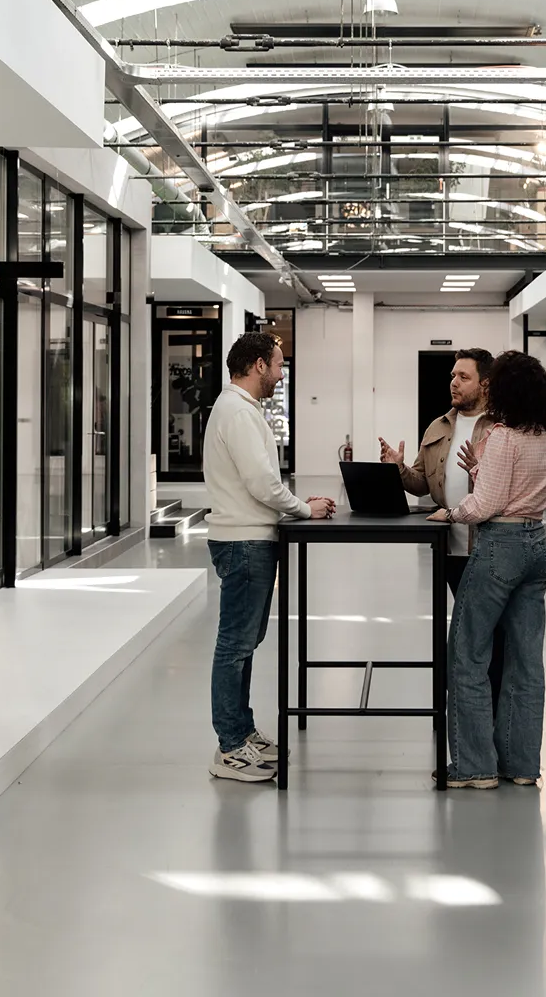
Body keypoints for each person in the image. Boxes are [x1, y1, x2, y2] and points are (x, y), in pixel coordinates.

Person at [427, 351, 546, 789]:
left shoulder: (504, 435)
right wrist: (482, 469)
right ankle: (521, 766)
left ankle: (474, 767)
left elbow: (486, 506)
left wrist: (450, 514)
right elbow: (520, 490)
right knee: (526, 663)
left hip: (498, 547)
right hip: (536, 546)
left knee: (467, 655)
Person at [204, 332, 335, 783]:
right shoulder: (238, 412)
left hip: (248, 539)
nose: (281, 375)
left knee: (244, 643)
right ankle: (230, 748)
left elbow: (259, 483)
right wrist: (304, 509)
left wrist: (296, 504)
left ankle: (241, 732)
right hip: (244, 543)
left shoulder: (242, 411)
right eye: (278, 366)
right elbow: (262, 484)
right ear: (258, 365)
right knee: (235, 645)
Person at [378, 348, 505, 710]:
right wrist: (399, 469)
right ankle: (468, 715)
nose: (453, 382)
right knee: (470, 634)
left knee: (483, 638)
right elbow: (421, 484)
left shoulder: (501, 427)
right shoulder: (439, 426)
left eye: (463, 376)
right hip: (450, 548)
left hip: (489, 547)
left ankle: (484, 715)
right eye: (452, 375)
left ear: (485, 383)